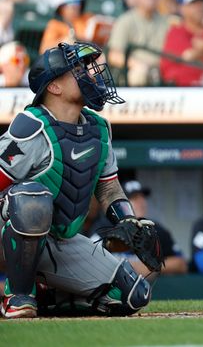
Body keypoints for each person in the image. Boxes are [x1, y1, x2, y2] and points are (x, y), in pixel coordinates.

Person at [0, 42, 155, 318]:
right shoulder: (32, 127)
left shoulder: (98, 128)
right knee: (31, 198)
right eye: (79, 70)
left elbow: (108, 186)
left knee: (132, 295)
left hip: (58, 240)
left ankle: (46, 293)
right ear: (54, 87)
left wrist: (129, 221)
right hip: (8, 235)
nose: (91, 75)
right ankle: (17, 295)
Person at [91, 180, 188, 276]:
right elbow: (90, 257)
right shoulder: (104, 227)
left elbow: (181, 264)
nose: (141, 202)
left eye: (143, 198)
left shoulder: (154, 229)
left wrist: (151, 267)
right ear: (121, 204)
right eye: (135, 198)